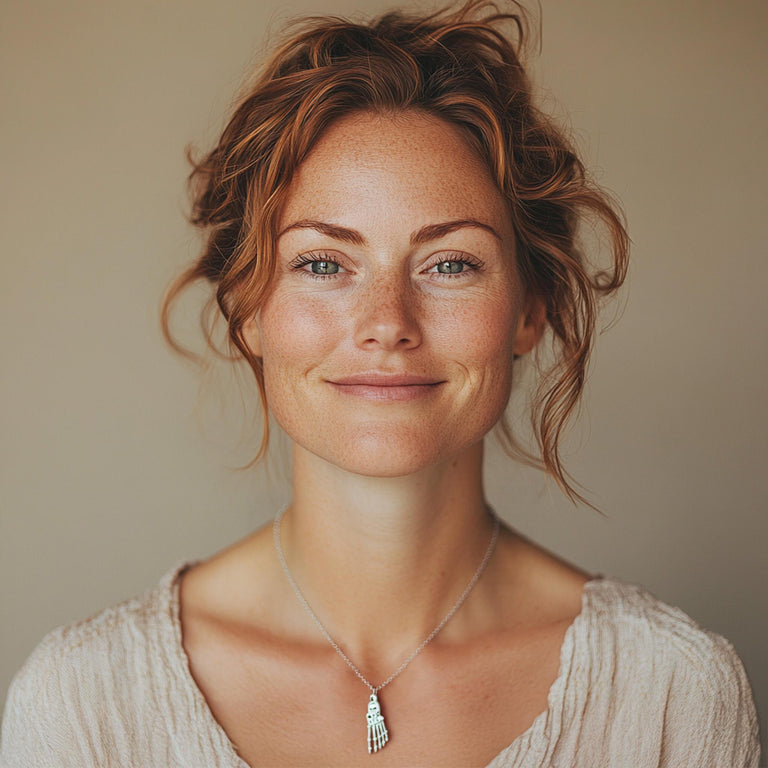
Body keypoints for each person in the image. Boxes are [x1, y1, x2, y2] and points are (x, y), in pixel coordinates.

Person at [0, 1, 760, 766]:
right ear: (247, 310)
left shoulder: (673, 696)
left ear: (531, 309)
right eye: (324, 264)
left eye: (450, 263)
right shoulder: (84, 706)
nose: (386, 322)